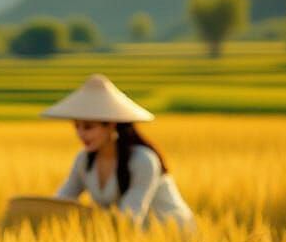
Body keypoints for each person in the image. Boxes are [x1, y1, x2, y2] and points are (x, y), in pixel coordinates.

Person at [43, 74, 195, 230]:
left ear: (111, 126)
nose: (80, 134)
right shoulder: (84, 160)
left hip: (172, 231)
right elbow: (60, 202)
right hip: (129, 234)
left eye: (88, 127)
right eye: (77, 126)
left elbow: (130, 216)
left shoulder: (143, 160)